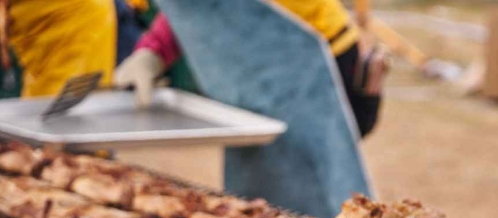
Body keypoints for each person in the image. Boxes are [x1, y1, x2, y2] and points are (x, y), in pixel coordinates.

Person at [114, 0, 383, 137]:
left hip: (323, 53)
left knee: (325, 156)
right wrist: (153, 53)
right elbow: (197, 7)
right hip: (265, 65)